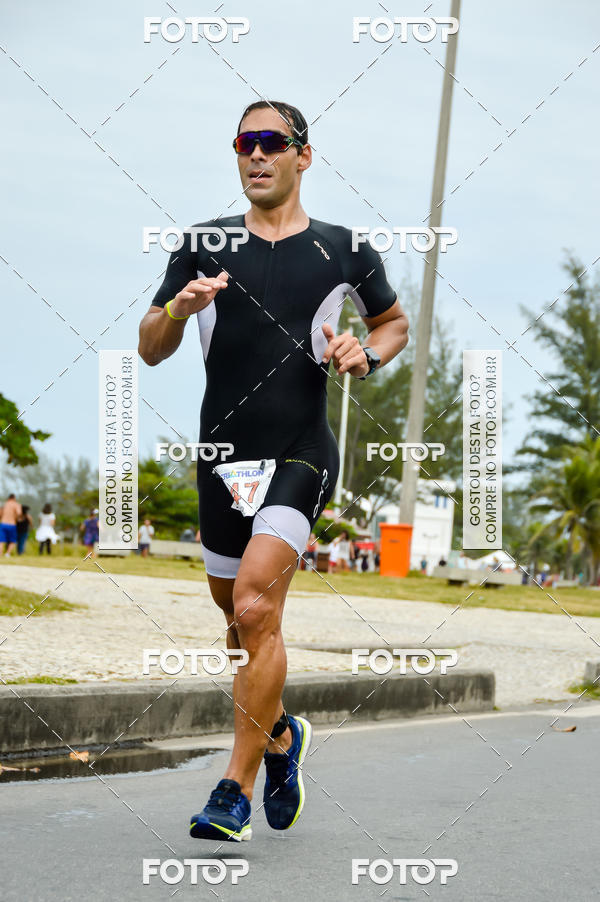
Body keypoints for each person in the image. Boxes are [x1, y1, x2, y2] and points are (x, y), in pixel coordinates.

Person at [138, 99, 409, 843]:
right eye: (244, 143)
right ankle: (283, 737)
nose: (255, 155)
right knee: (238, 625)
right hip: (223, 458)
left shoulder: (344, 248)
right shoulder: (202, 244)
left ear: (303, 156)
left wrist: (367, 352)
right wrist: (177, 308)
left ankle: (234, 790)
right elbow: (150, 345)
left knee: (257, 606)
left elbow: (392, 323)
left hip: (301, 450)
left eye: (271, 142)